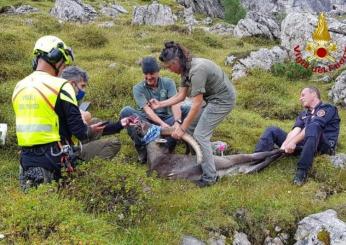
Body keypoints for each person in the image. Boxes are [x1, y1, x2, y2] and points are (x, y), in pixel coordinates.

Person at [12, 36, 129, 191]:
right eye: (64, 63)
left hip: (26, 159)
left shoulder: (19, 86)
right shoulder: (61, 85)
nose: (63, 68)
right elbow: (80, 132)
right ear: (56, 57)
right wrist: (90, 128)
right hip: (54, 157)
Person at [149, 41, 236, 187]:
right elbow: (181, 96)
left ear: (176, 61)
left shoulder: (197, 70)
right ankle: (199, 159)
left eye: (170, 66)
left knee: (201, 135)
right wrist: (160, 104)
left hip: (223, 100)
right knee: (191, 129)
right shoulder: (185, 70)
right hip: (210, 99)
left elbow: (195, 105)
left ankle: (210, 177)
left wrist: (181, 128)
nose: (169, 70)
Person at [254, 86, 340, 186]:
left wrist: (293, 142)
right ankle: (255, 159)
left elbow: (311, 127)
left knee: (314, 126)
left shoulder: (328, 108)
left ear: (313, 94)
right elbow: (296, 130)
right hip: (304, 146)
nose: (300, 98)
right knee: (272, 130)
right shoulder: (304, 113)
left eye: (303, 95)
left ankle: (301, 172)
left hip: (323, 147)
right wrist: (285, 145)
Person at [120, 56, 190, 163]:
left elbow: (175, 104)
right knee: (126, 112)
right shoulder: (138, 88)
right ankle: (141, 149)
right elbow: (147, 110)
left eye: (151, 73)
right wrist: (161, 124)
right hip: (147, 122)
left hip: (167, 119)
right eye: (146, 74)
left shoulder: (168, 83)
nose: (148, 77)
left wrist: (177, 121)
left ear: (158, 72)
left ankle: (169, 145)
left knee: (187, 109)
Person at [60, 66, 128, 162]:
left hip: (60, 146)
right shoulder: (67, 101)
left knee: (95, 122)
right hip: (60, 152)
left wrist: (119, 124)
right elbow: (81, 132)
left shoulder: (56, 97)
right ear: (72, 84)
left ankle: (83, 154)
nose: (84, 91)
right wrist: (85, 120)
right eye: (82, 86)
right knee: (114, 143)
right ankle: (82, 166)